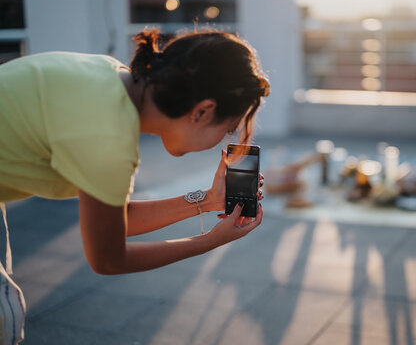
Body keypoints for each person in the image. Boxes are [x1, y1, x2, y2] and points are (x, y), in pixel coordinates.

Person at [0, 28, 269, 344]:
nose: (220, 142)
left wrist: (208, 201)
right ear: (203, 111)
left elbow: (116, 220)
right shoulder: (108, 135)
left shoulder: (109, 80)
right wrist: (207, 242)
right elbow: (108, 257)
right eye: (227, 130)